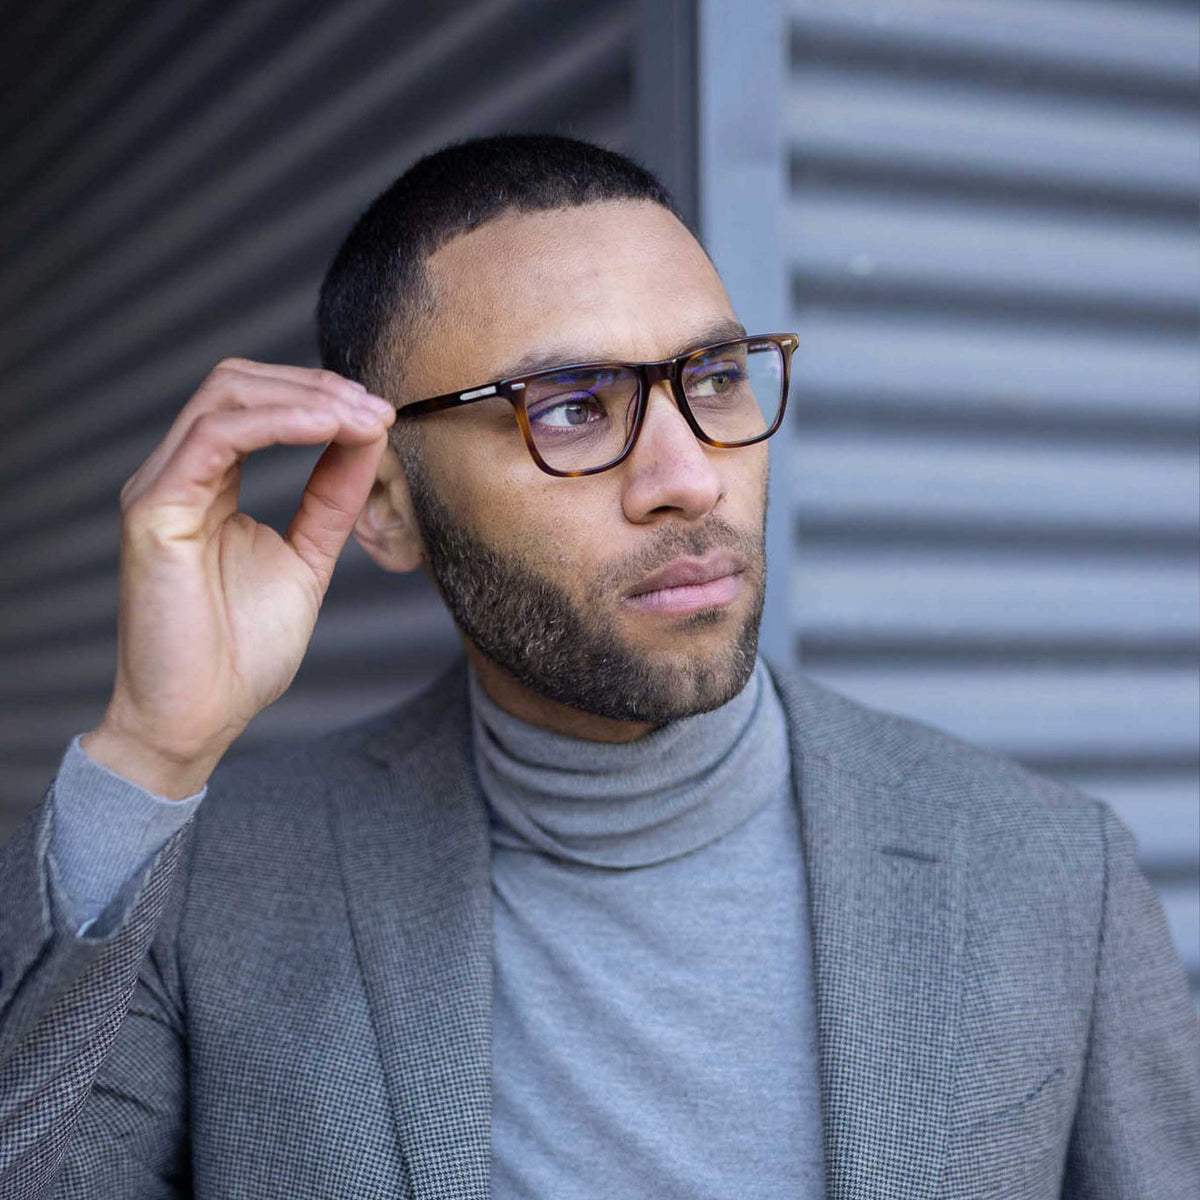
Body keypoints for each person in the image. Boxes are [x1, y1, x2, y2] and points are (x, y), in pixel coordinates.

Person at [0, 134, 1195, 1200]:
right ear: (383, 506)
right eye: (571, 407)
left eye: (715, 378)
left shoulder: (1052, 874)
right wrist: (152, 750)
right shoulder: (206, 885)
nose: (688, 476)